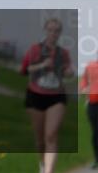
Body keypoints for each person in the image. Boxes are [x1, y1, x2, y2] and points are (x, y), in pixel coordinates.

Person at [21, 18, 75, 173]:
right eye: (50, 30)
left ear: (60, 33)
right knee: (40, 140)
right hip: (35, 95)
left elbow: (67, 70)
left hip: (56, 96)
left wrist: (68, 72)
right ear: (45, 31)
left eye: (57, 30)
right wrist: (42, 65)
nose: (53, 33)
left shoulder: (63, 53)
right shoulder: (34, 50)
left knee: (51, 135)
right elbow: (25, 70)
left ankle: (49, 171)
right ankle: (42, 164)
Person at [81, 55, 98, 169]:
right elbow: (83, 83)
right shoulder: (90, 66)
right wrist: (84, 89)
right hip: (93, 103)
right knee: (96, 133)